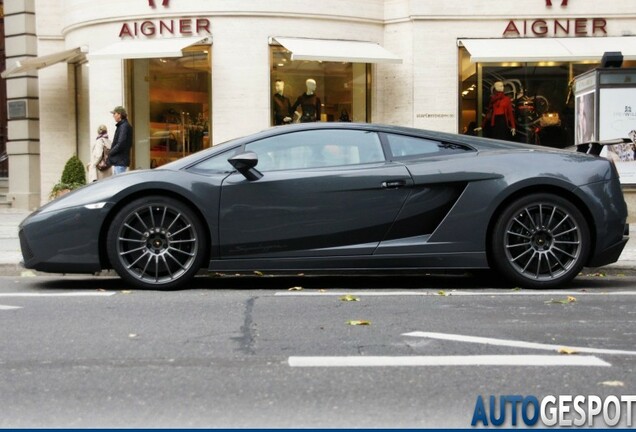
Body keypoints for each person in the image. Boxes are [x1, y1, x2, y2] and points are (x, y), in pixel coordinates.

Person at [108, 105, 133, 175]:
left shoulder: (124, 126)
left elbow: (121, 143)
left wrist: (111, 152)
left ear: (119, 114)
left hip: (120, 161)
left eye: (114, 113)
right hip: (120, 161)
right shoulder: (123, 126)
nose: (113, 116)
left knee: (119, 184)